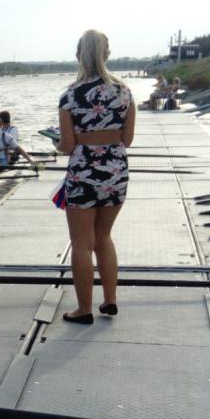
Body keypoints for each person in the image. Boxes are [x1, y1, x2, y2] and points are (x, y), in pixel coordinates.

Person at [56, 29, 136, 325]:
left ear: (79, 55)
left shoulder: (70, 95)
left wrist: (59, 143)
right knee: (104, 237)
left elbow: (67, 145)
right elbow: (127, 139)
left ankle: (84, 309)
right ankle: (110, 300)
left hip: (83, 173)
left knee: (81, 243)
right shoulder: (124, 92)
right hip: (115, 171)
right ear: (107, 54)